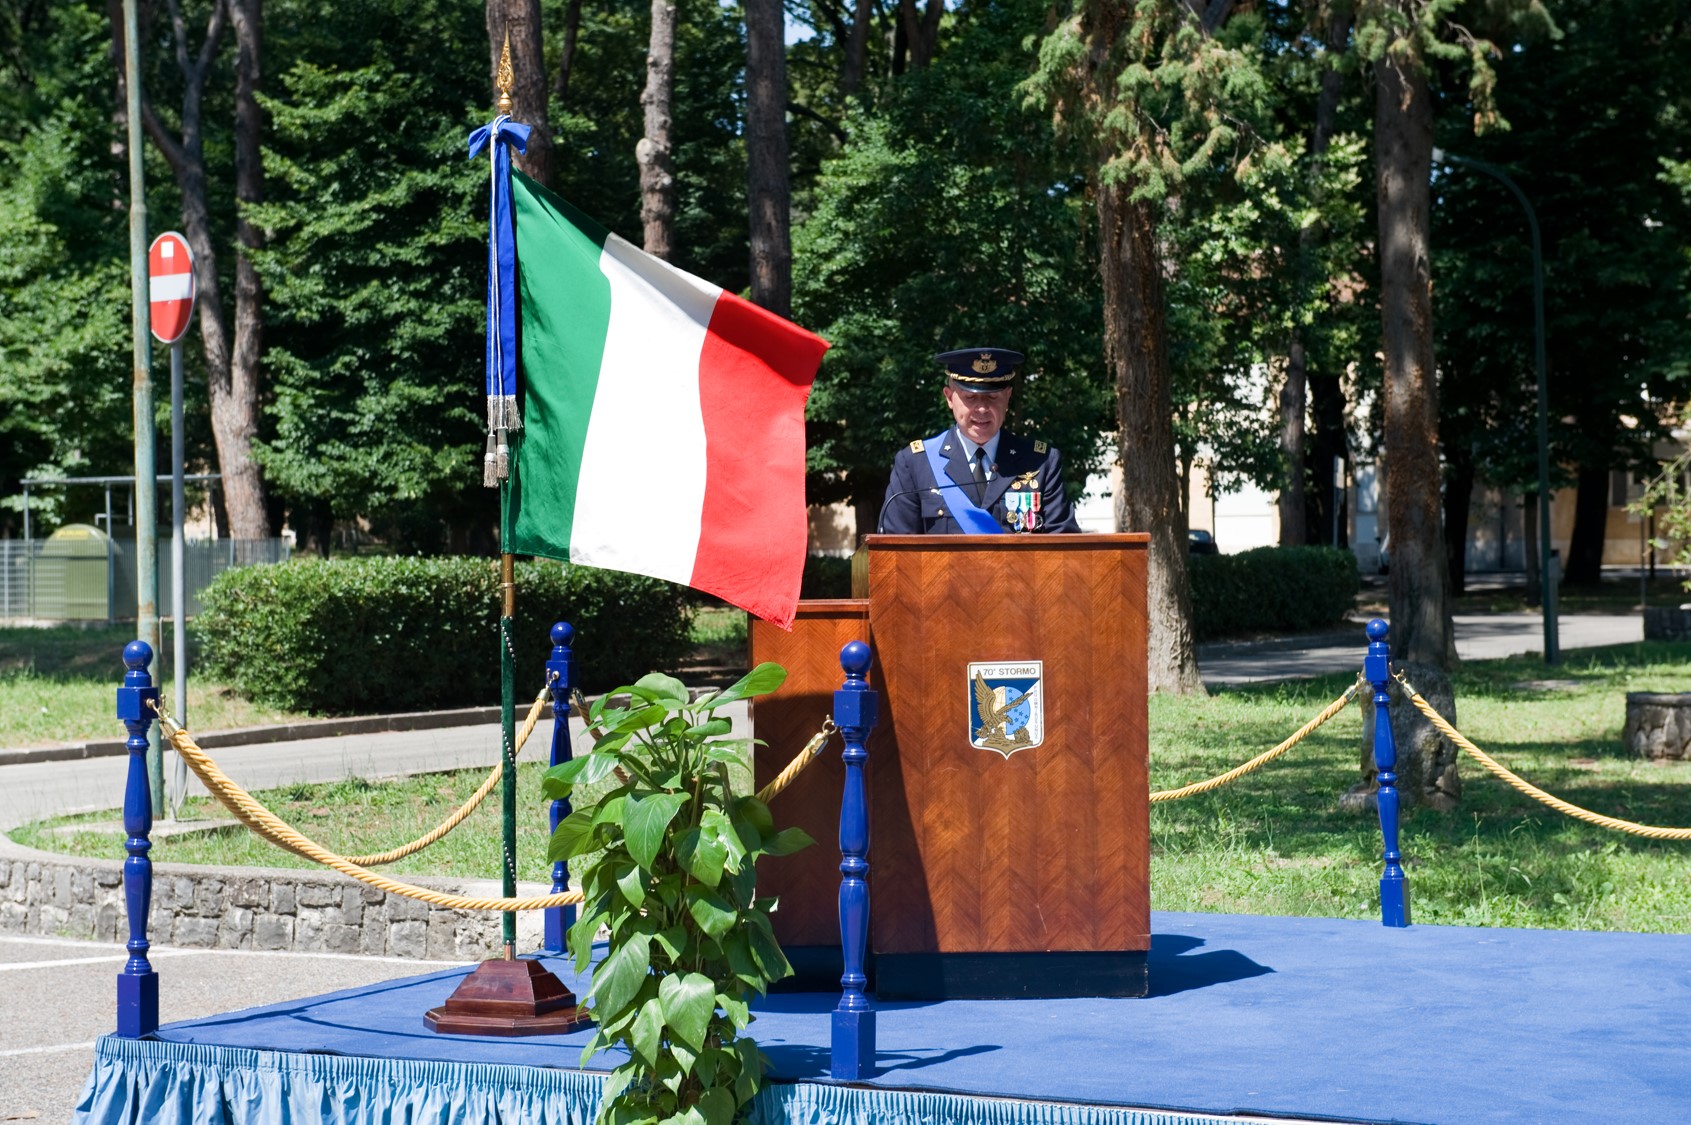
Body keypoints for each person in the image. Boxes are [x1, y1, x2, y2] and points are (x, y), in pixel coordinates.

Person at [879, 347, 1080, 534]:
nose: (982, 409)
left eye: (992, 398)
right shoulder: (916, 463)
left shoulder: (1041, 462)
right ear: (949, 398)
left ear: (1008, 397)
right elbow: (896, 553)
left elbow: (1064, 548)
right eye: (970, 398)